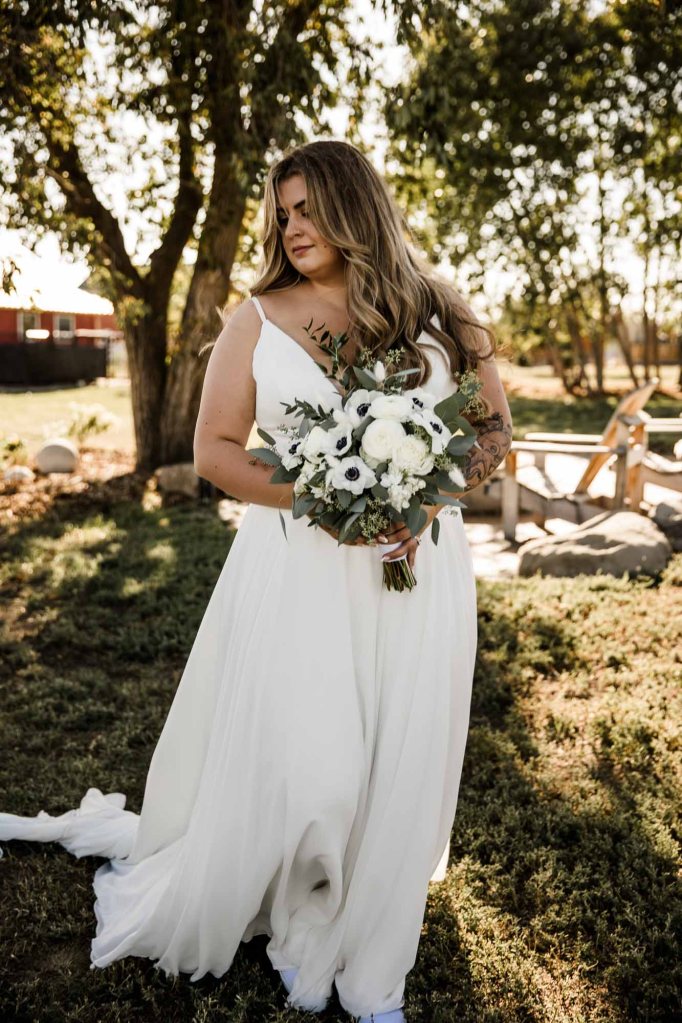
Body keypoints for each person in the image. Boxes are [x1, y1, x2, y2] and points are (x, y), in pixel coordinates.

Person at [0, 140, 512, 1022]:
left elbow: (497, 435)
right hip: (302, 568)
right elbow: (215, 453)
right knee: (318, 762)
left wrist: (424, 502)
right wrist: (334, 499)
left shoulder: (444, 312)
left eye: (309, 207)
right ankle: (304, 902)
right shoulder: (258, 317)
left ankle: (366, 908)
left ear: (358, 206)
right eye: (283, 212)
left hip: (420, 570)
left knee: (396, 747)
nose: (292, 225)